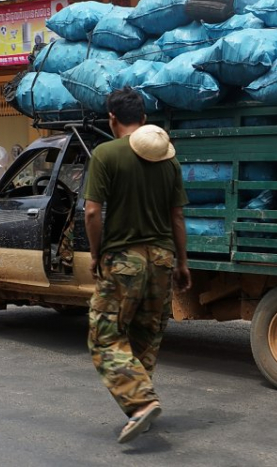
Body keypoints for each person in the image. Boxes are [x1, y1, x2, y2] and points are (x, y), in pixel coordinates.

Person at [83, 88, 191, 444]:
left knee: (105, 335)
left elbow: (93, 212)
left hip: (123, 260)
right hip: (161, 259)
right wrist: (183, 263)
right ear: (143, 119)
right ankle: (142, 402)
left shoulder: (105, 153)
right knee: (145, 334)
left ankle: (140, 403)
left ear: (112, 118)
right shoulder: (168, 160)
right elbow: (177, 217)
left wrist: (97, 255)